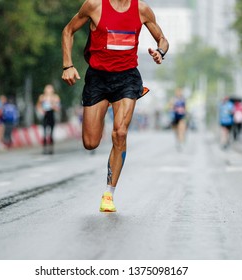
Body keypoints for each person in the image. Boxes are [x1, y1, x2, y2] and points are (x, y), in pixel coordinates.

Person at [62, 0, 169, 212]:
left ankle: (109, 194)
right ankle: (104, 109)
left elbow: (163, 39)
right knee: (91, 143)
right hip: (98, 78)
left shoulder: (142, 9)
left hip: (127, 79)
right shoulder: (94, 6)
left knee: (120, 133)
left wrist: (160, 52)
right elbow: (68, 31)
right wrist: (68, 65)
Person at [36, 84, 61, 154]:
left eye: (50, 90)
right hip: (45, 115)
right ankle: (44, 149)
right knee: (44, 133)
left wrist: (53, 105)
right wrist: (41, 110)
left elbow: (58, 108)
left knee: (51, 134)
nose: (48, 91)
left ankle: (51, 149)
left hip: (51, 114)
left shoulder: (55, 97)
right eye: (47, 89)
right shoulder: (42, 97)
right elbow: (38, 106)